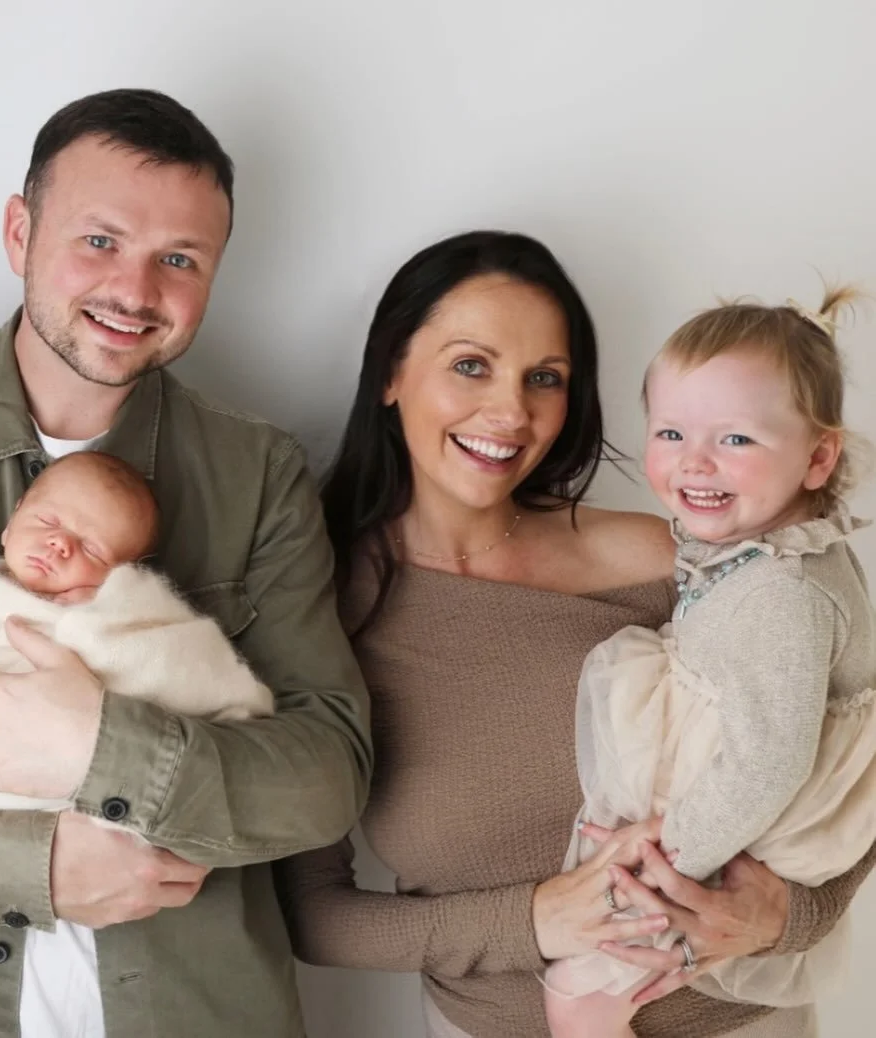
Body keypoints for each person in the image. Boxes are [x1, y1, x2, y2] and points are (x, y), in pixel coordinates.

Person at [0, 89, 370, 1038]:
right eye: (100, 241)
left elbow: (330, 770)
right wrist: (20, 865)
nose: (136, 291)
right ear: (19, 231)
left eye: (179, 260)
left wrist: (108, 753)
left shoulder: (258, 473)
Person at [275, 230, 876, 1038]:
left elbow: (845, 747)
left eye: (545, 379)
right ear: (390, 372)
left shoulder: (684, 557)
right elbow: (311, 914)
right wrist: (534, 920)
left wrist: (789, 917)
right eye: (470, 364)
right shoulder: (318, 609)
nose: (511, 411)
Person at [544, 291, 876, 1037]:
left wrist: (670, 858)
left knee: (577, 998)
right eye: (671, 431)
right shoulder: (765, 552)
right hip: (727, 814)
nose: (694, 461)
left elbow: (769, 760)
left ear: (819, 456)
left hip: (728, 838)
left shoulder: (786, 591)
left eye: (736, 440)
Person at [0, 449, 275, 812]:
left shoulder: (130, 605)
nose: (60, 544)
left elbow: (167, 655)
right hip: (7, 791)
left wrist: (101, 613)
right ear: (12, 519)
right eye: (47, 520)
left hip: (130, 776)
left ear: (121, 574)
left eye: (93, 550)